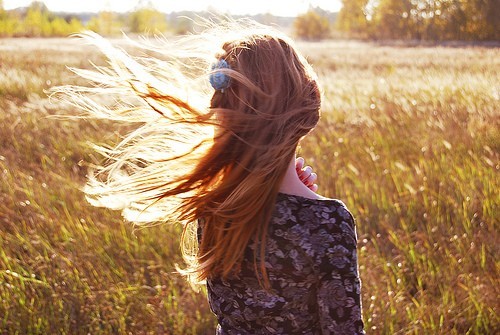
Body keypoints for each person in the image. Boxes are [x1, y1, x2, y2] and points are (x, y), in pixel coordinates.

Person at [55, 20, 364, 334]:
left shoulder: (215, 208)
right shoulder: (328, 222)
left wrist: (294, 196)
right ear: (308, 104)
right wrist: (312, 208)